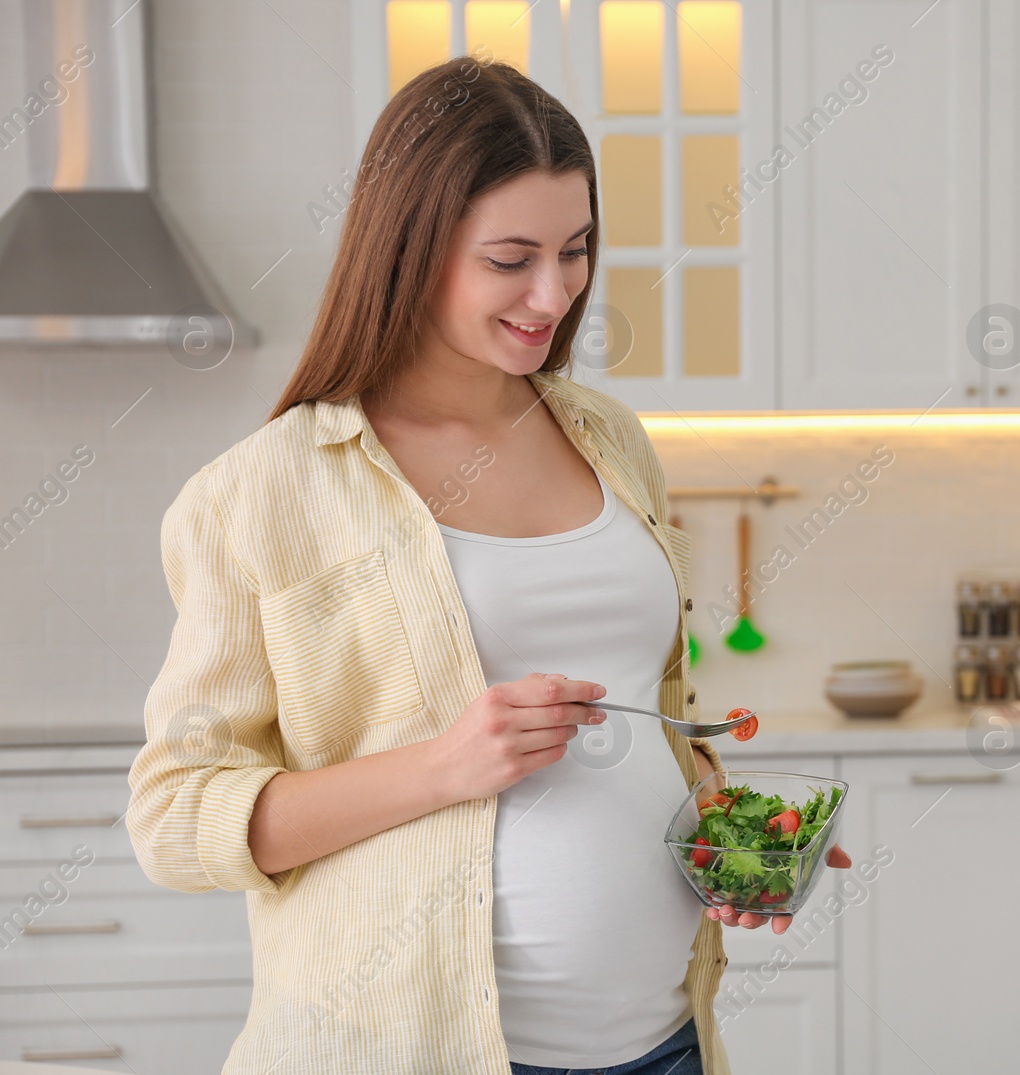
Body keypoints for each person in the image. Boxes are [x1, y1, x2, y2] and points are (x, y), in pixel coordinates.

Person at [127, 57, 849, 1075]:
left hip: (664, 1042)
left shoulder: (607, 437)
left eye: (577, 249)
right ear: (410, 250)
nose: (554, 293)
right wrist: (443, 765)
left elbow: (652, 707)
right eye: (511, 258)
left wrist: (727, 833)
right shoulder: (263, 492)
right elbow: (173, 819)